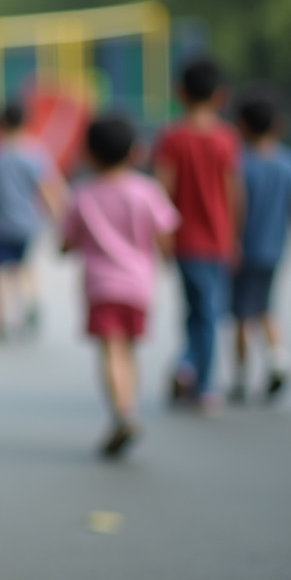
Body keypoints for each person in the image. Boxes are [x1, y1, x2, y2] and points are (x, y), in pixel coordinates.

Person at [61, 115, 179, 458]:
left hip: (101, 286)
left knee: (110, 350)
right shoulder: (147, 191)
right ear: (134, 152)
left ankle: (121, 413)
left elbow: (66, 243)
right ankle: (130, 408)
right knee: (129, 349)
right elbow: (164, 235)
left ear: (89, 154)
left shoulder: (82, 194)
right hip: (140, 285)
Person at [153, 57, 242, 411]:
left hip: (185, 240)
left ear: (180, 92)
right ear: (221, 96)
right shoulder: (227, 138)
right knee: (208, 311)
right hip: (217, 239)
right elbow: (233, 190)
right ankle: (202, 382)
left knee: (196, 310)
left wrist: (161, 239)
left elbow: (163, 189)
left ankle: (188, 367)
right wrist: (234, 235)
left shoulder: (171, 137)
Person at [227, 95, 291, 404]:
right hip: (275, 249)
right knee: (266, 307)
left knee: (242, 316)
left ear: (242, 125)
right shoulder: (289, 162)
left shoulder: (238, 163)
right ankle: (279, 360)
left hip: (243, 250)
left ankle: (240, 379)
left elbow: (234, 209)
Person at [0, 104, 65, 339]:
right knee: (25, 266)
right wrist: (57, 217)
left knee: (1, 271)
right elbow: (45, 189)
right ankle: (32, 301)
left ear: (1, 124)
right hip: (28, 221)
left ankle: (2, 322)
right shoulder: (36, 153)